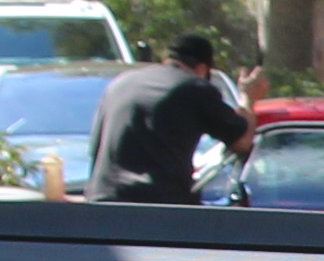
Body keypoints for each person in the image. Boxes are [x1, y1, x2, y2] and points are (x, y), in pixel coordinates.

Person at [88, 35, 254, 204]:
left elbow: (95, 147)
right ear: (203, 69)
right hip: (157, 208)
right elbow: (241, 142)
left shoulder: (120, 83)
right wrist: (248, 97)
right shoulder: (193, 87)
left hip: (102, 202)